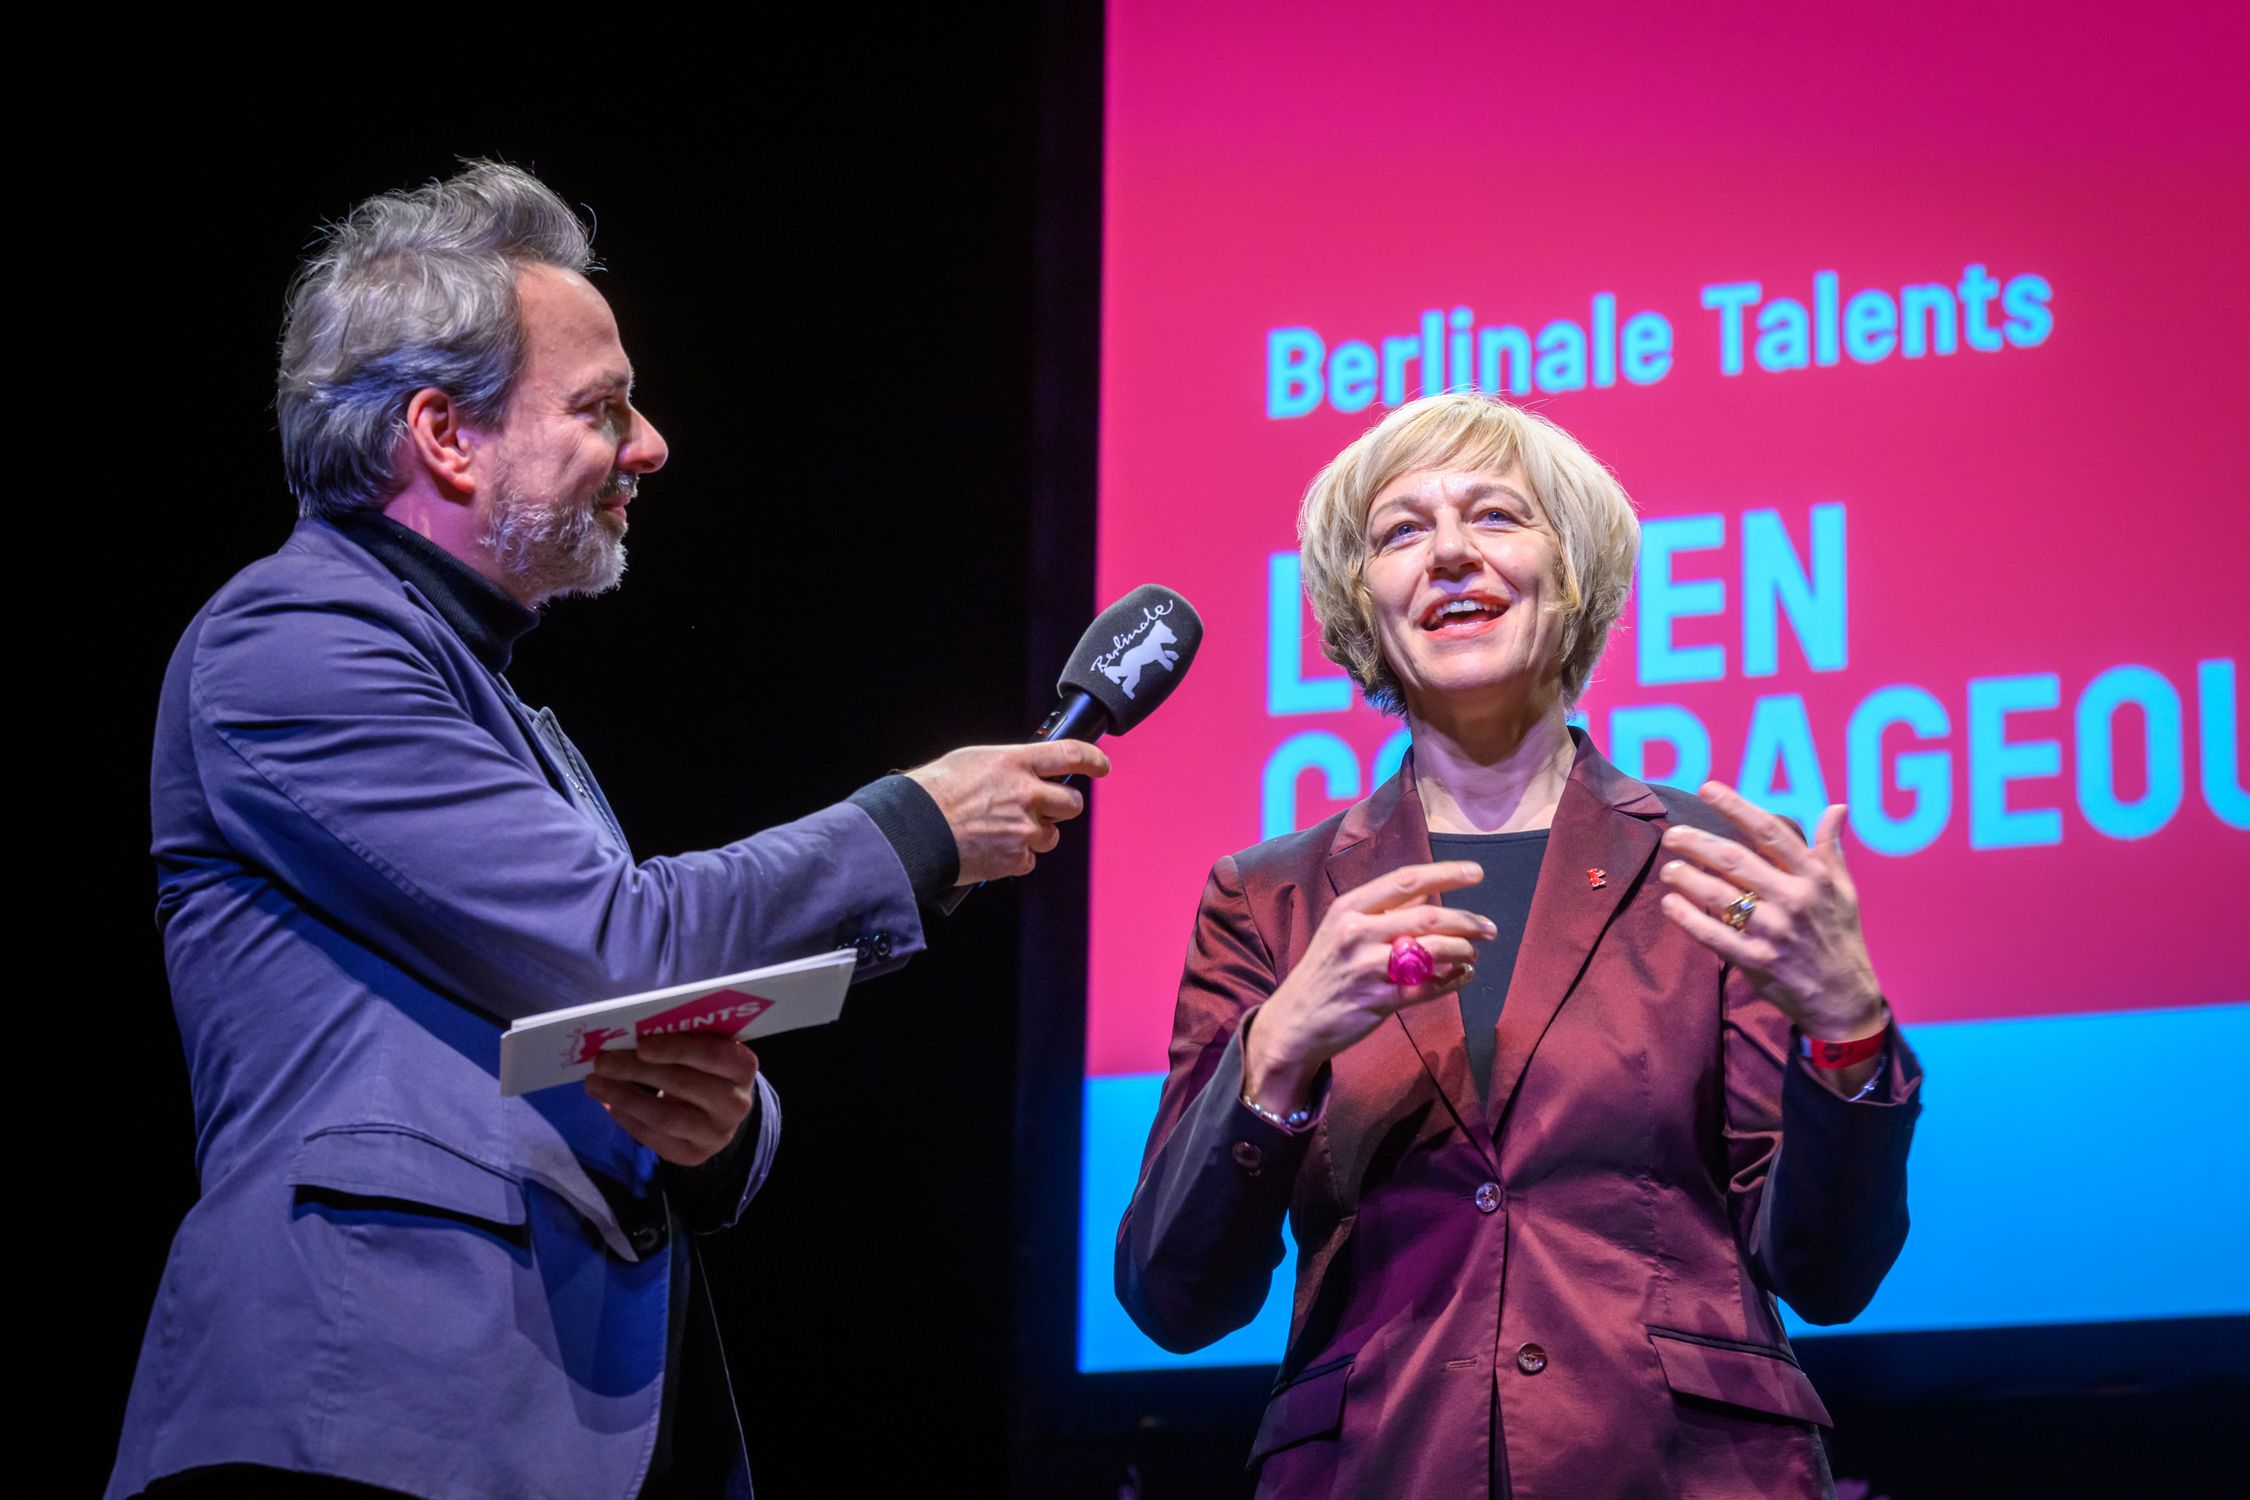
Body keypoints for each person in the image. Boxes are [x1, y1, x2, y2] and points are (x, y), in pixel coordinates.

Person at [108, 162, 1107, 1500]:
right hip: (363, 1421)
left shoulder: (500, 709)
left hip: (561, 1424)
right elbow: (617, 943)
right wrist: (914, 824)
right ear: (444, 437)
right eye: (602, 408)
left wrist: (720, 1124)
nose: (650, 448)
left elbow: (586, 1018)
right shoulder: (291, 642)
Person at [1115, 392, 1920, 1497]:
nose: (1449, 553)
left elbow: (1826, 1274)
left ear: (1573, 572)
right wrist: (1279, 1049)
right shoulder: (1268, 900)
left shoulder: (1714, 863)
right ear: (1364, 605)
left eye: (1495, 516)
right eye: (1402, 532)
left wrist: (1847, 1033)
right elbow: (1175, 1296)